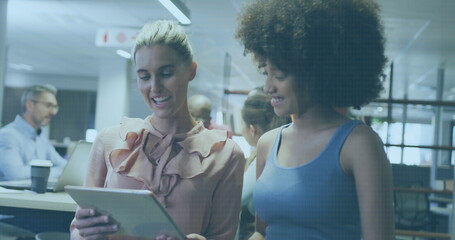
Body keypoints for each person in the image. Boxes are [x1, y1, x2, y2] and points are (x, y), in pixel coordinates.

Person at [70, 20, 245, 240]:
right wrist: (87, 235)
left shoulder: (226, 155)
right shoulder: (110, 141)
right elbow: (77, 231)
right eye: (144, 76)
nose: (154, 87)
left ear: (191, 70)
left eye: (166, 73)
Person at [235, 0, 395, 239]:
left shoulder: (359, 144)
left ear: (316, 70)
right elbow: (262, 234)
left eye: (279, 74)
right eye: (265, 73)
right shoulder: (268, 143)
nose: (268, 87)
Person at [238, 88, 291, 240]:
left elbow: (237, 197)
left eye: (242, 125)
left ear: (252, 129)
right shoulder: (281, 148)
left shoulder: (263, 158)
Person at [0, 84, 66, 181]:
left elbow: (63, 164)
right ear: (30, 105)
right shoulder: (7, 136)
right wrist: (59, 171)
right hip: (14, 195)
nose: (53, 112)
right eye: (48, 105)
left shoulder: (41, 138)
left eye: (55, 107)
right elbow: (15, 174)